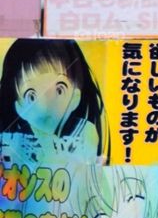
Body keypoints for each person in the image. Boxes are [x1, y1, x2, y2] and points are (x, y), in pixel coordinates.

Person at [0, 38, 108, 166]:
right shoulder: (12, 141)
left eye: (59, 90)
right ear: (19, 108)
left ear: (75, 98)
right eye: (31, 96)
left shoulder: (85, 133)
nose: (45, 106)